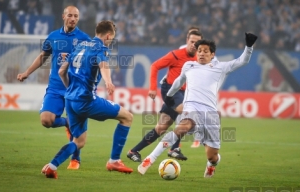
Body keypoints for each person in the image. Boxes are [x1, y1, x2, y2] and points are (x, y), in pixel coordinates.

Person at [137, 32, 258, 177]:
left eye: (205, 51)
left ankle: (212, 165)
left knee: (212, 156)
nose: (201, 54)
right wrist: (169, 95)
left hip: (210, 114)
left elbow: (242, 61)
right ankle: (149, 159)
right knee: (181, 128)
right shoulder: (189, 66)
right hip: (191, 108)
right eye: (199, 51)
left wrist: (248, 47)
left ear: (212, 54)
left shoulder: (220, 67)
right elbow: (179, 81)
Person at [41, 20, 134, 179]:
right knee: (127, 117)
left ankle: (52, 166)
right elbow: (103, 65)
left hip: (70, 100)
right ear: (108, 36)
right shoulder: (101, 48)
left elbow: (62, 70)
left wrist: (69, 89)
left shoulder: (80, 46)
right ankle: (114, 160)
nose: (110, 42)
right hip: (87, 101)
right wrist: (109, 81)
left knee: (79, 141)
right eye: (111, 39)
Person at [17, 6, 91, 170]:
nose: (73, 18)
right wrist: (27, 72)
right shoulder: (53, 36)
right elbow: (43, 56)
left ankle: (75, 159)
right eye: (70, 15)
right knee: (46, 120)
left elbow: (92, 62)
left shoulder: (84, 39)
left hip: (74, 89)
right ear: (63, 16)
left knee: (77, 128)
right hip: (56, 87)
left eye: (76, 16)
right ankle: (66, 123)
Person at [127, 30, 203, 162]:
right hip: (171, 91)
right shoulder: (176, 55)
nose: (193, 45)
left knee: (161, 128)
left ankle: (134, 151)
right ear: (187, 41)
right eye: (192, 42)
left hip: (183, 94)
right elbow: (155, 66)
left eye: (197, 43)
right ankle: (174, 148)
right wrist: (152, 88)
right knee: (188, 114)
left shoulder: (199, 59)